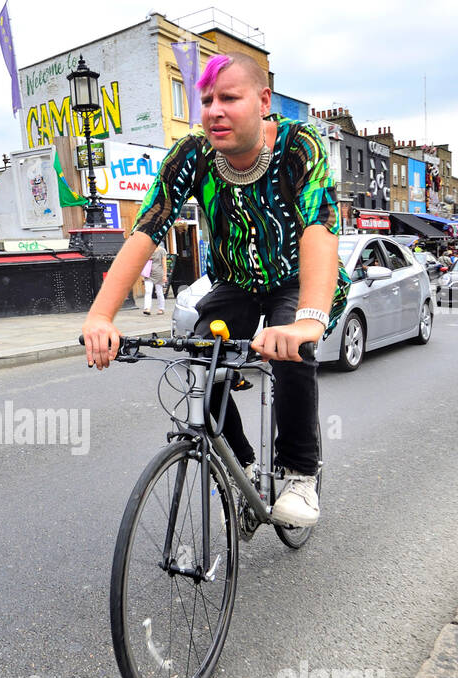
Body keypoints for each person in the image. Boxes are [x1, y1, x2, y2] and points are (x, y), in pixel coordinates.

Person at [81, 52, 347, 528]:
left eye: (229, 97)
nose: (214, 111)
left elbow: (320, 227)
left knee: (290, 354)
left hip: (296, 279)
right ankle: (241, 462)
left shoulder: (297, 145)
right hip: (237, 281)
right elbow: (146, 229)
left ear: (263, 101)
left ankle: (300, 474)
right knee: (205, 356)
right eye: (206, 100)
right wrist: (101, 316)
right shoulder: (193, 153)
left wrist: (308, 318)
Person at [141, 240, 168, 315]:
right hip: (148, 273)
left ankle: (161, 308)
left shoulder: (162, 251)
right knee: (148, 291)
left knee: (159, 292)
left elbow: (164, 264)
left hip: (159, 273)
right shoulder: (147, 251)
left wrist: (165, 275)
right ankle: (147, 308)